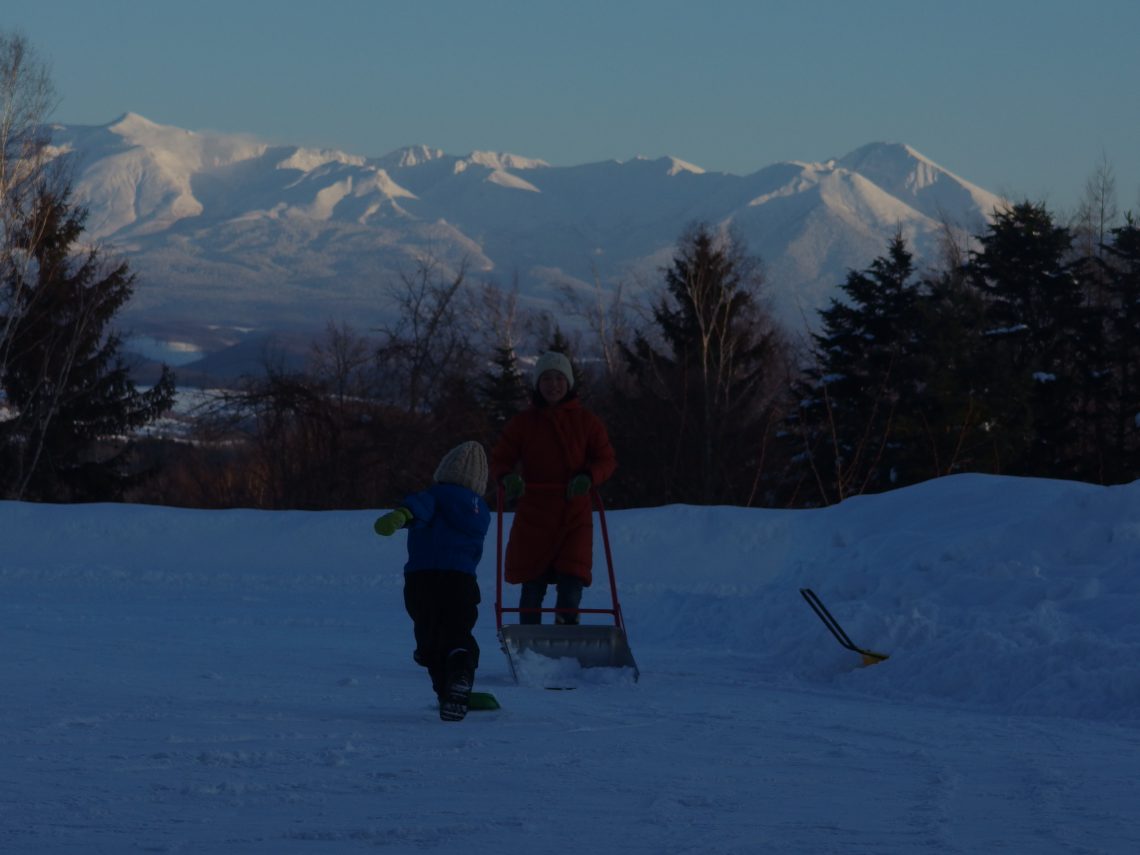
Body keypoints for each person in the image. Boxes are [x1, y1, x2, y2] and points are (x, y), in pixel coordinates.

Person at [490, 351, 617, 625]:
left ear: (568, 383)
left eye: (559, 378)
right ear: (538, 384)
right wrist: (508, 478)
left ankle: (566, 634)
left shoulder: (587, 422)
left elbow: (606, 459)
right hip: (534, 513)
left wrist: (588, 476)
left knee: (571, 583)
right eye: (546, 378)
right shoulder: (523, 423)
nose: (553, 385)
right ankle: (528, 639)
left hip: (574, 514)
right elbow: (500, 459)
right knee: (532, 584)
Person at [373, 440, 491, 721]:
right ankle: (460, 677)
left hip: (423, 578)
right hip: (461, 581)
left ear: (444, 471)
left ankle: (444, 689)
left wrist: (399, 517)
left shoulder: (435, 495)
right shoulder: (481, 512)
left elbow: (418, 509)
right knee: (458, 632)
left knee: (429, 635)